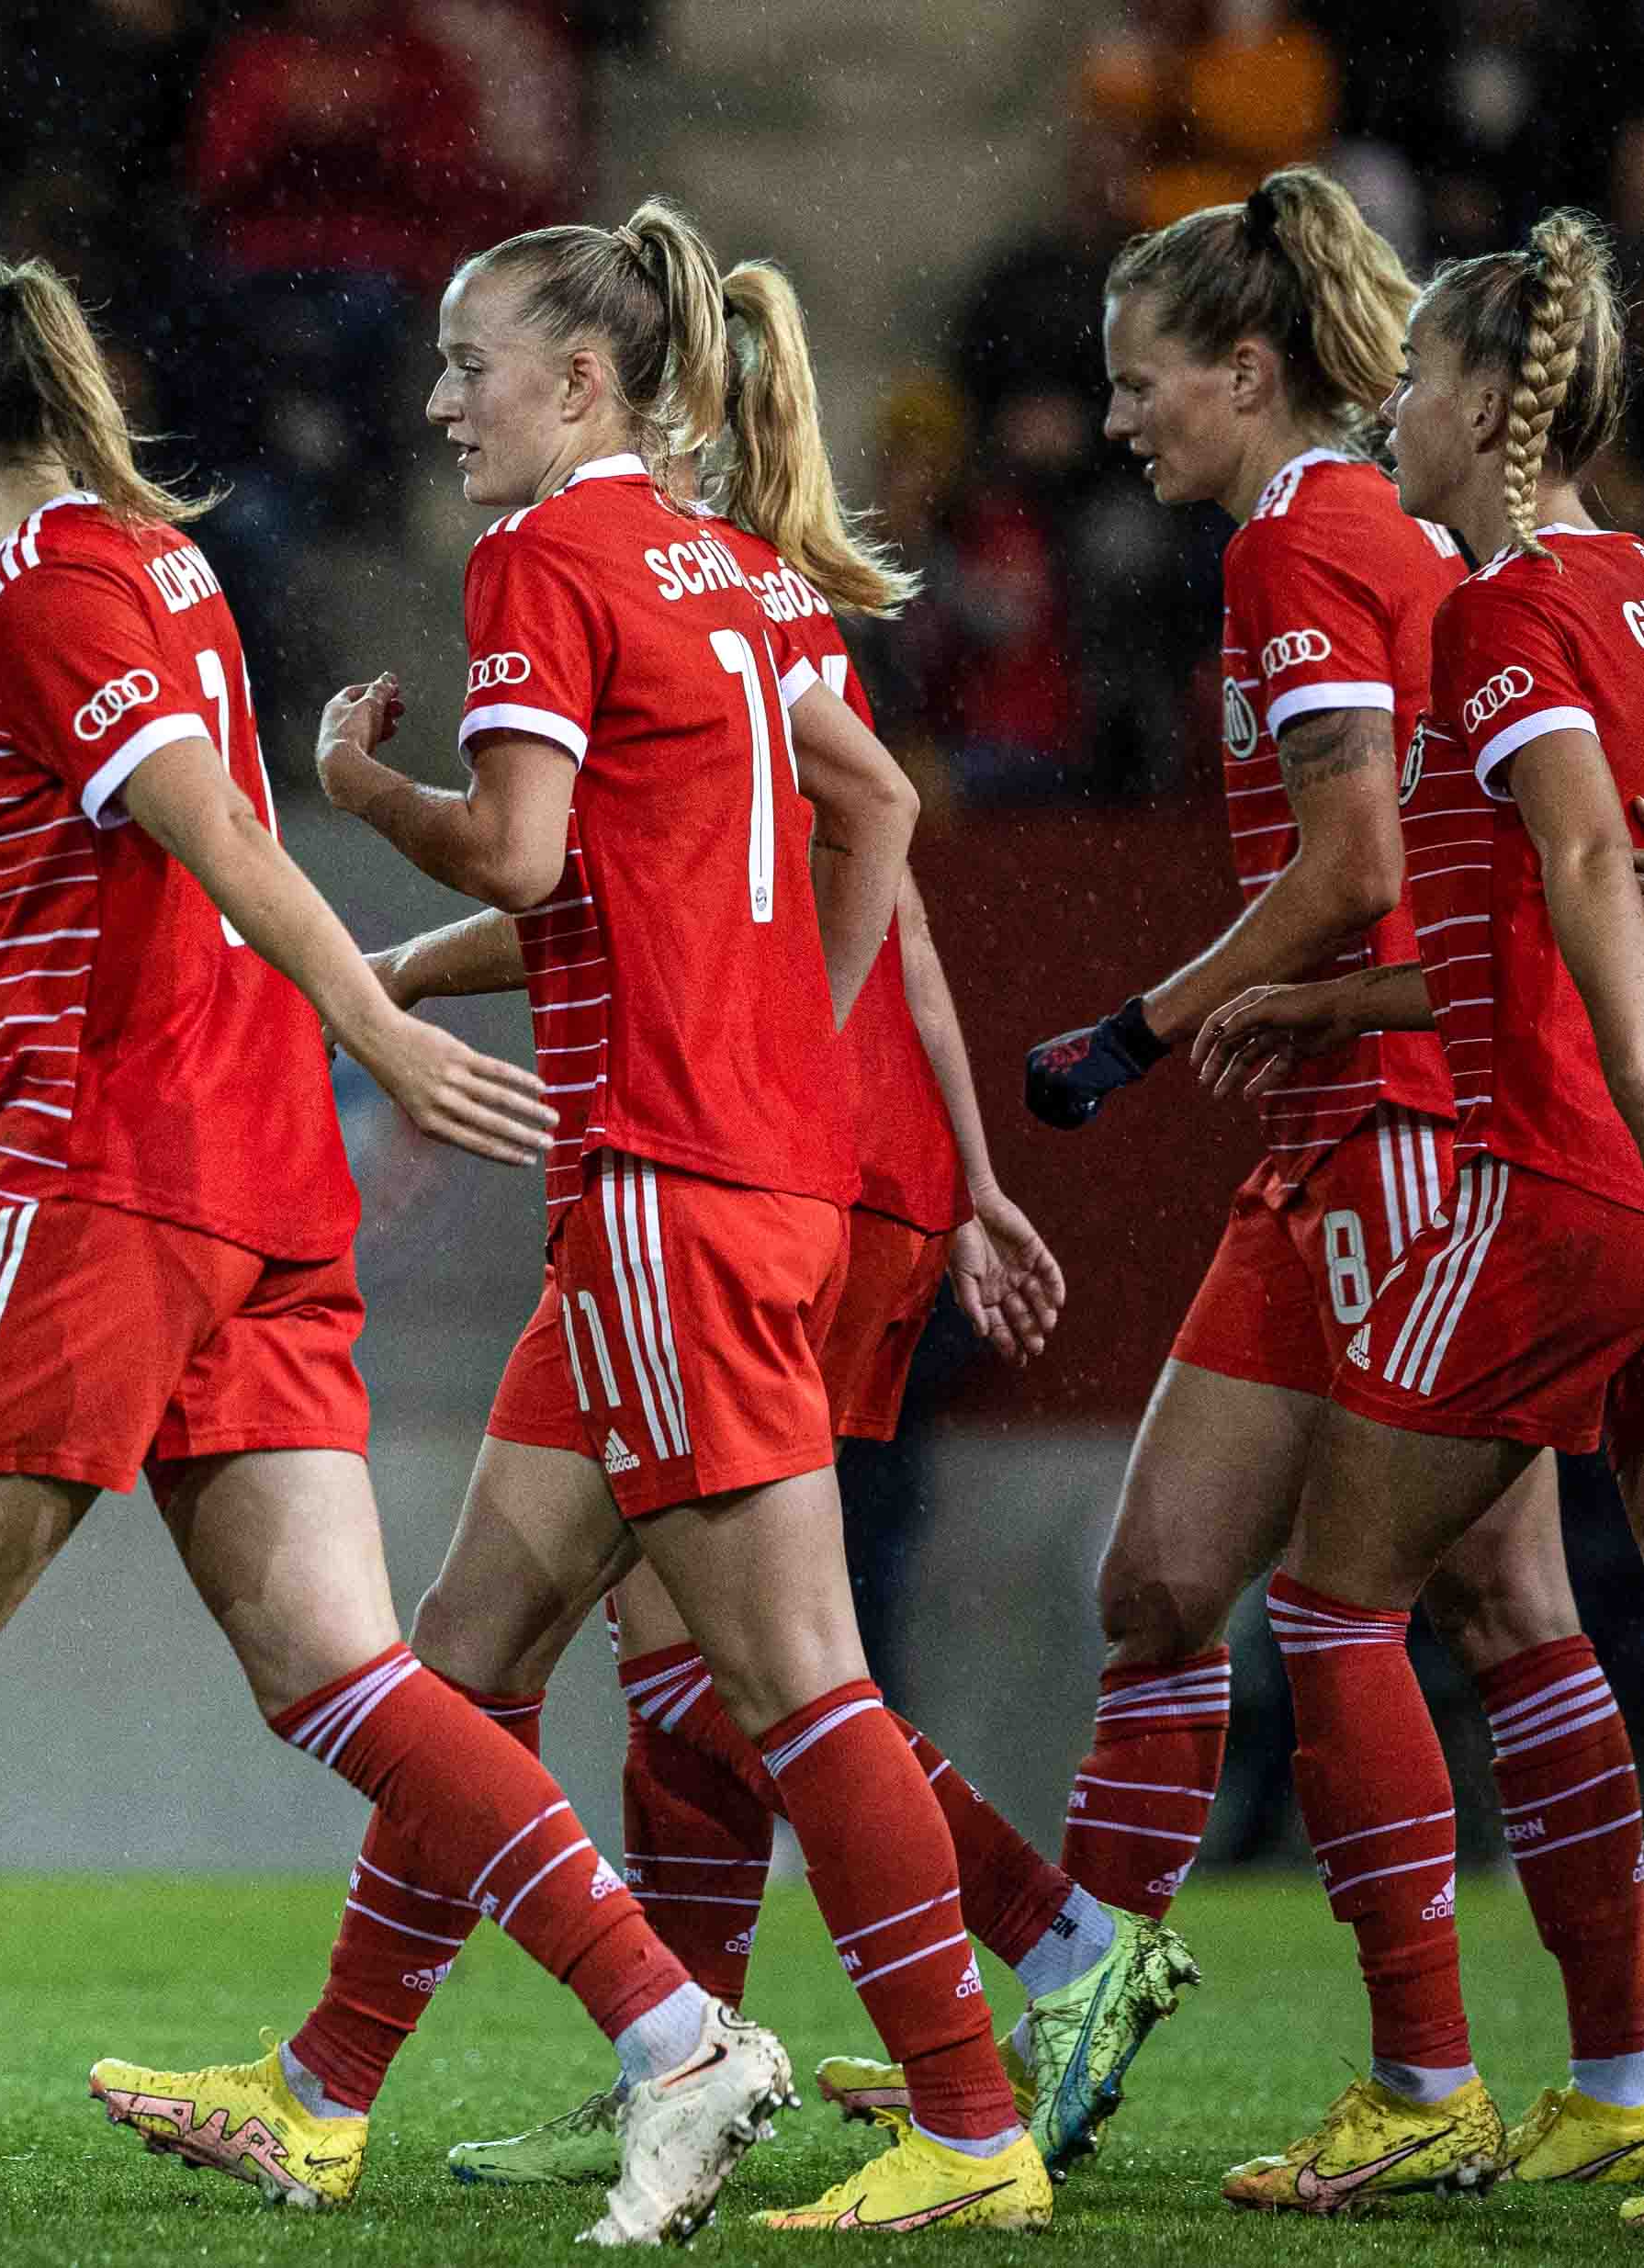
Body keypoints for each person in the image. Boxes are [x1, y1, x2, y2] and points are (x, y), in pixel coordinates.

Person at [0, 243, 790, 2246]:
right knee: (339, 1669)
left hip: (96, 1177)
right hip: (256, 1193)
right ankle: (675, 2033)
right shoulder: (130, 572)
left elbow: (215, 828)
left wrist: (381, 1025)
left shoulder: (61, 586)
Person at [357, 251, 1191, 2194]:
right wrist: (818, 1066)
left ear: (585, 373)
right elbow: (878, 825)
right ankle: (341, 2084)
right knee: (486, 1650)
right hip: (768, 1166)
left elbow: (525, 856)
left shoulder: (558, 569)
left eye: (464, 363)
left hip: (685, 1181)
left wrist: (350, 797)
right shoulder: (749, 584)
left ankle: (974, 2087)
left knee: (778, 1682)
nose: (437, 405)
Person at [1018, 165, 1614, 1995]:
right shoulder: (1383, 538)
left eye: (1142, 381)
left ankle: (1440, 2063)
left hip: (1405, 1132)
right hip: (1378, 1113)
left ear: (1247, 368)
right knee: (1171, 1580)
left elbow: (1362, 857)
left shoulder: (1308, 539)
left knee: (1427, 1602)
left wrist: (1147, 1019)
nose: (1116, 418)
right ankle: (1090, 1998)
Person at [1190, 209, 1644, 2214]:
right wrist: (1314, 994)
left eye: (1409, 389)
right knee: (1539, 1611)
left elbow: (1585, 866)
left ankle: (1418, 2082)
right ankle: (1625, 2083)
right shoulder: (1638, 590)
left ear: (1479, 406)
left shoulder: (1497, 615)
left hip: (1560, 1176)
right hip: (1593, 1147)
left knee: (1328, 1595)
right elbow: (1499, 926)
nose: (1385, 414)